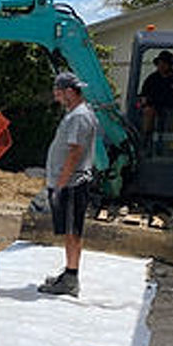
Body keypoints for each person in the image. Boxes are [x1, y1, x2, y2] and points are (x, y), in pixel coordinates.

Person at [38, 71, 99, 298]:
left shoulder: (79, 117)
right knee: (69, 230)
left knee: (73, 231)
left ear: (70, 92)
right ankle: (69, 272)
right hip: (70, 183)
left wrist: (61, 184)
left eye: (58, 92)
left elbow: (75, 153)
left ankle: (71, 279)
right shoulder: (76, 114)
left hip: (72, 184)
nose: (56, 97)